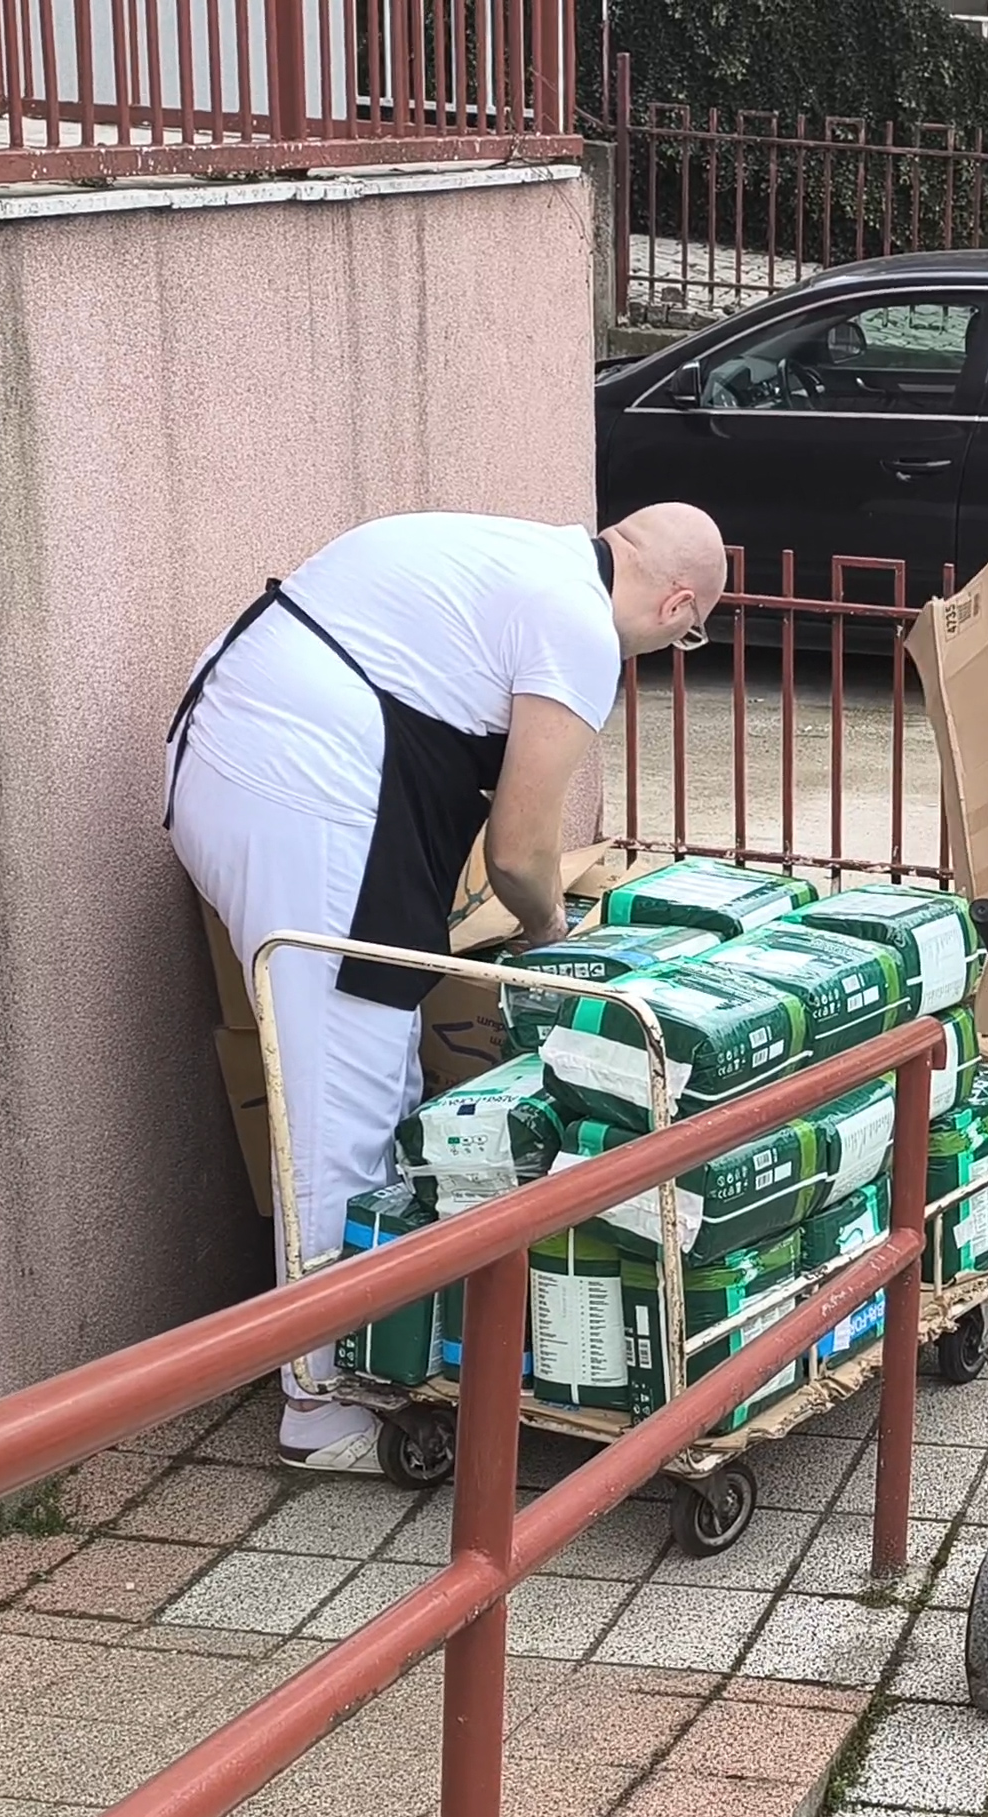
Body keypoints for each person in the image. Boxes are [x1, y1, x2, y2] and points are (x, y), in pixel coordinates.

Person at [168, 504, 726, 1471]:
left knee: (373, 1067)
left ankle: (369, 1351)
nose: (668, 649)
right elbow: (519, 851)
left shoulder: (524, 557)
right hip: (301, 783)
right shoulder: (578, 625)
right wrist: (554, 940)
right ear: (679, 605)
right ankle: (321, 1405)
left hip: (244, 752)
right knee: (340, 1096)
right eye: (687, 637)